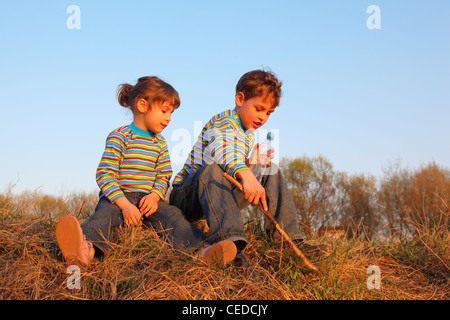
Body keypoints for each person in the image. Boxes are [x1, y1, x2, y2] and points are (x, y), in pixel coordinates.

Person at [55, 76, 237, 267]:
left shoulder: (160, 143)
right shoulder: (120, 136)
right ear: (142, 105)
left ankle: (202, 251)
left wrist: (154, 197)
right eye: (164, 111)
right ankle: (85, 250)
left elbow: (163, 175)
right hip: (118, 198)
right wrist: (124, 205)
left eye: (171, 113)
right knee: (104, 216)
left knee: (174, 216)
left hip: (148, 201)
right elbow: (105, 173)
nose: (169, 118)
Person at [170, 69, 326, 268]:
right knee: (212, 170)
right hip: (186, 197)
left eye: (269, 113)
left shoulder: (248, 134)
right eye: (259, 108)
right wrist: (246, 174)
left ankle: (288, 240)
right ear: (240, 99)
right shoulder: (222, 122)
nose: (263, 117)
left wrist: (251, 163)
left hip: (216, 196)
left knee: (271, 170)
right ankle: (231, 244)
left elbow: (233, 162)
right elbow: (223, 152)